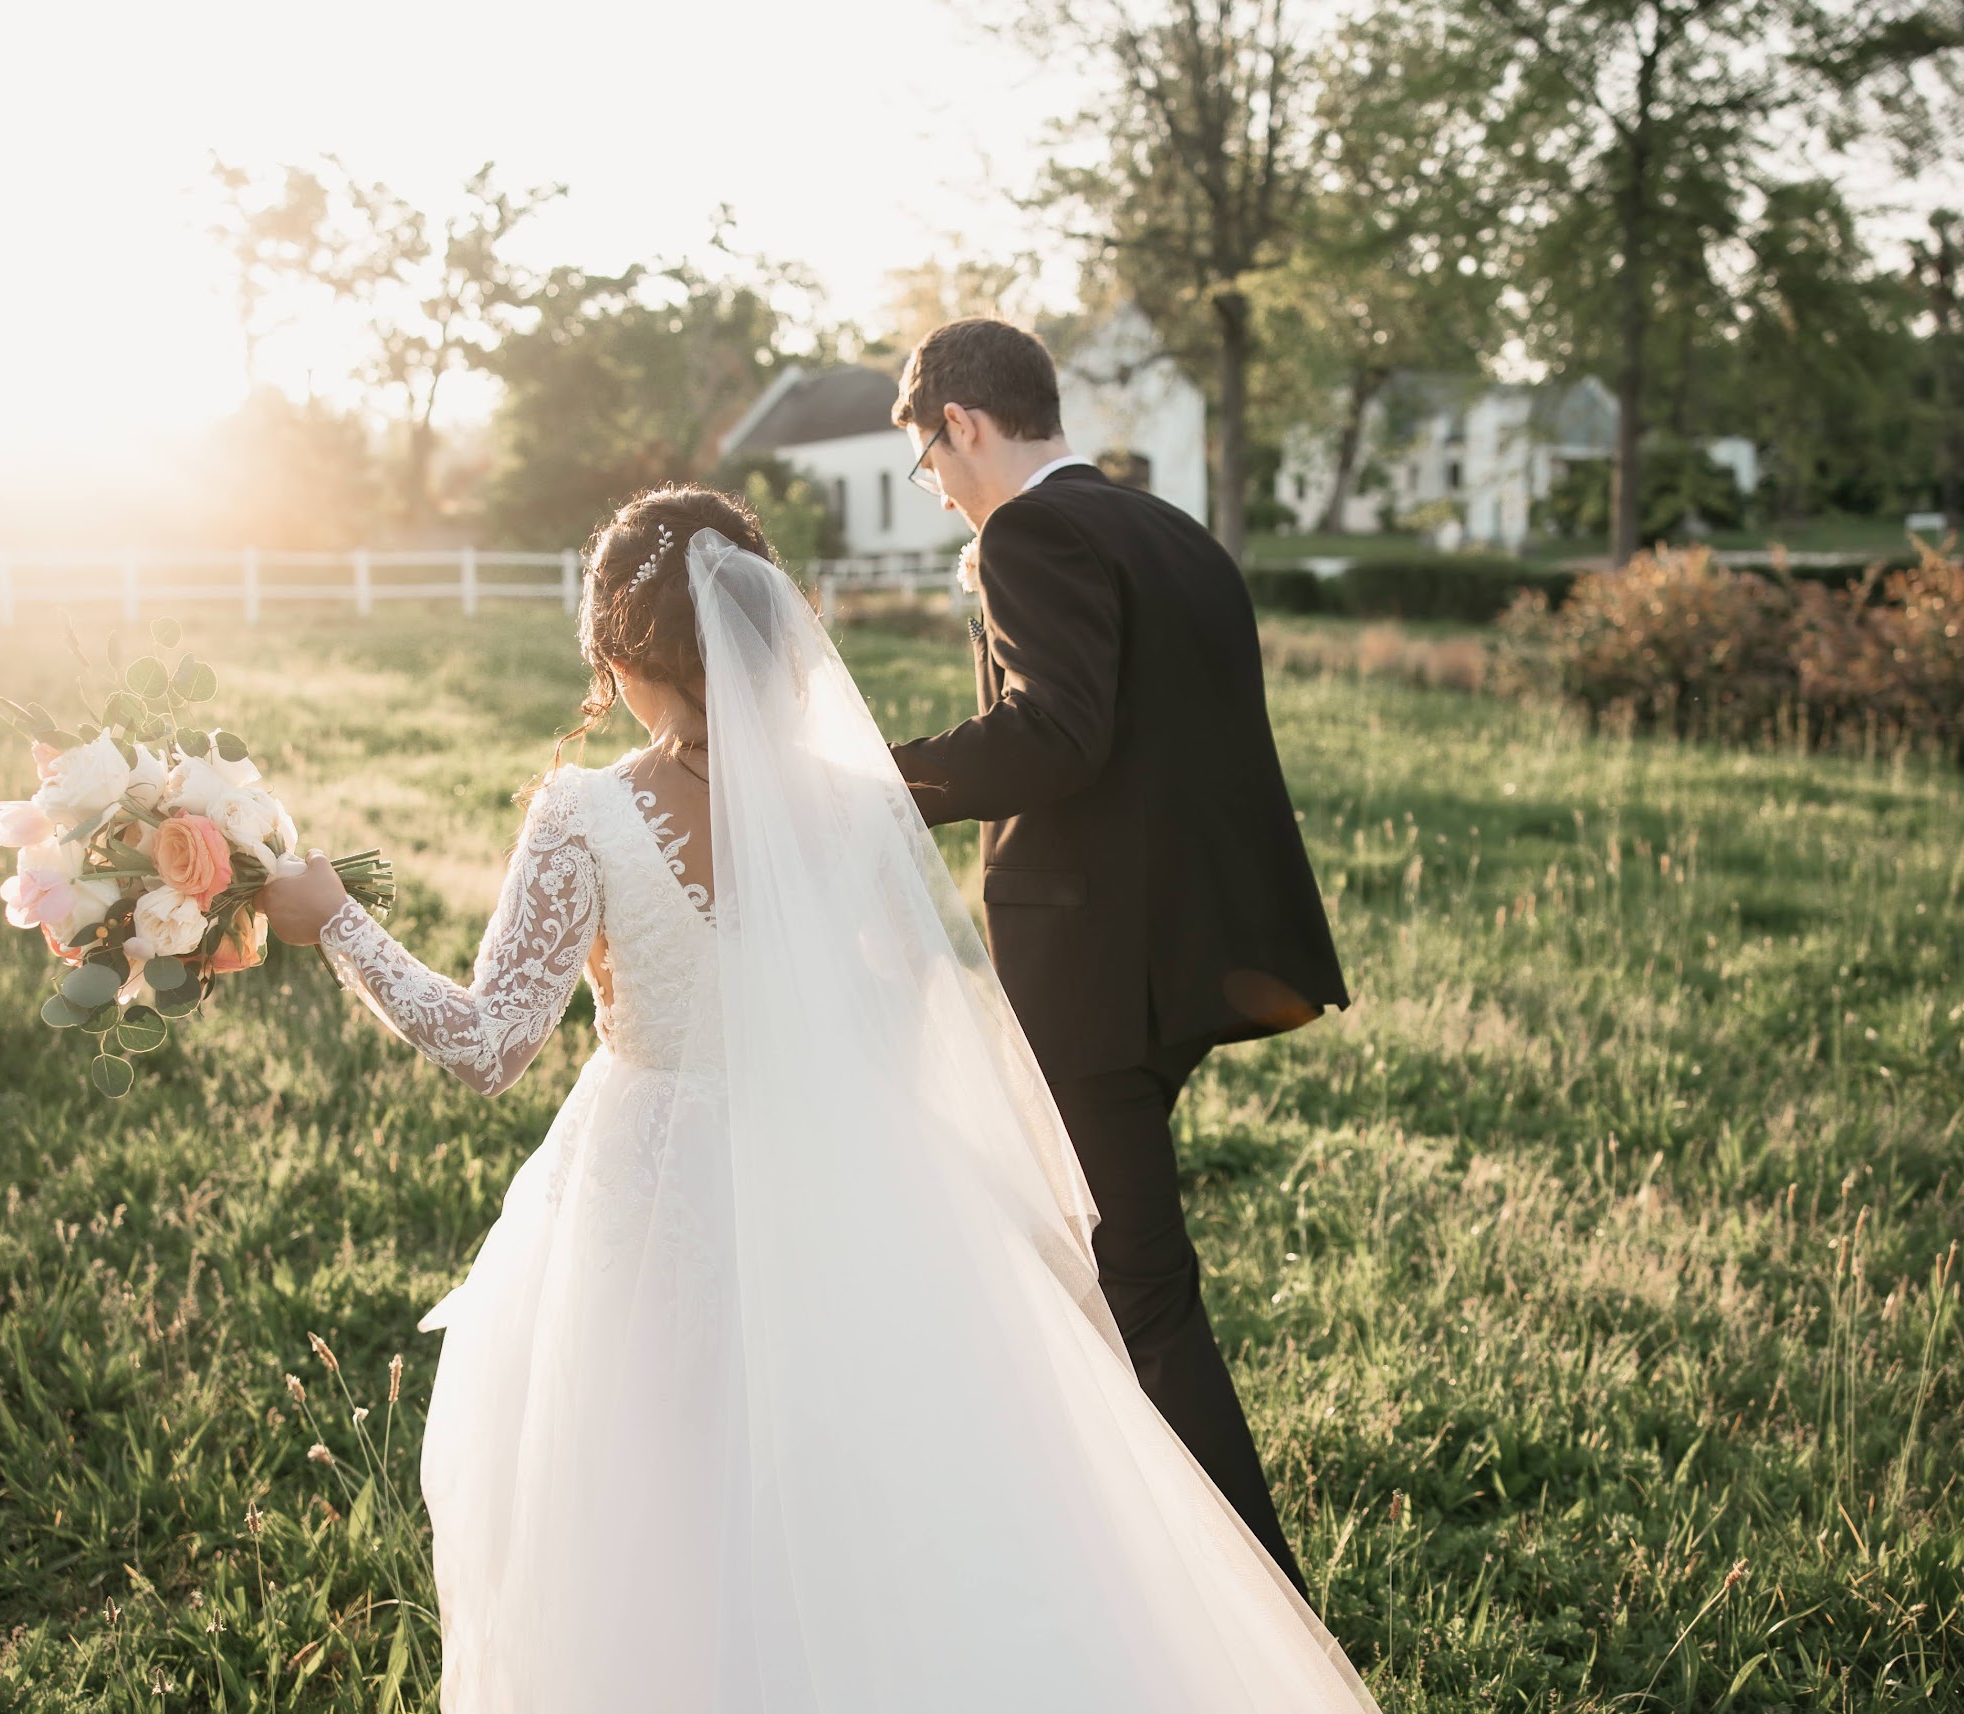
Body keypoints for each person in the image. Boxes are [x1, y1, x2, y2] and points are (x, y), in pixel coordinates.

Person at [259, 485, 1376, 1713]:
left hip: (651, 1199)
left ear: (623, 651)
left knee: (657, 1501)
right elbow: (893, 1002)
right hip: (841, 1177)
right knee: (854, 1487)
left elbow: (487, 1044)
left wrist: (335, 924)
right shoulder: (849, 803)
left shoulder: (582, 817)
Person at [890, 318, 1350, 1590]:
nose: (936, 487)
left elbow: (1056, 734)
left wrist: (881, 782)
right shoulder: (1171, 531)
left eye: (929, 459)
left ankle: (1256, 1604)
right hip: (1190, 956)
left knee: (1138, 1284)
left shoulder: (1025, 535)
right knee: (1085, 1256)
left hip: (1090, 970)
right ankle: (1096, 1534)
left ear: (963, 424)